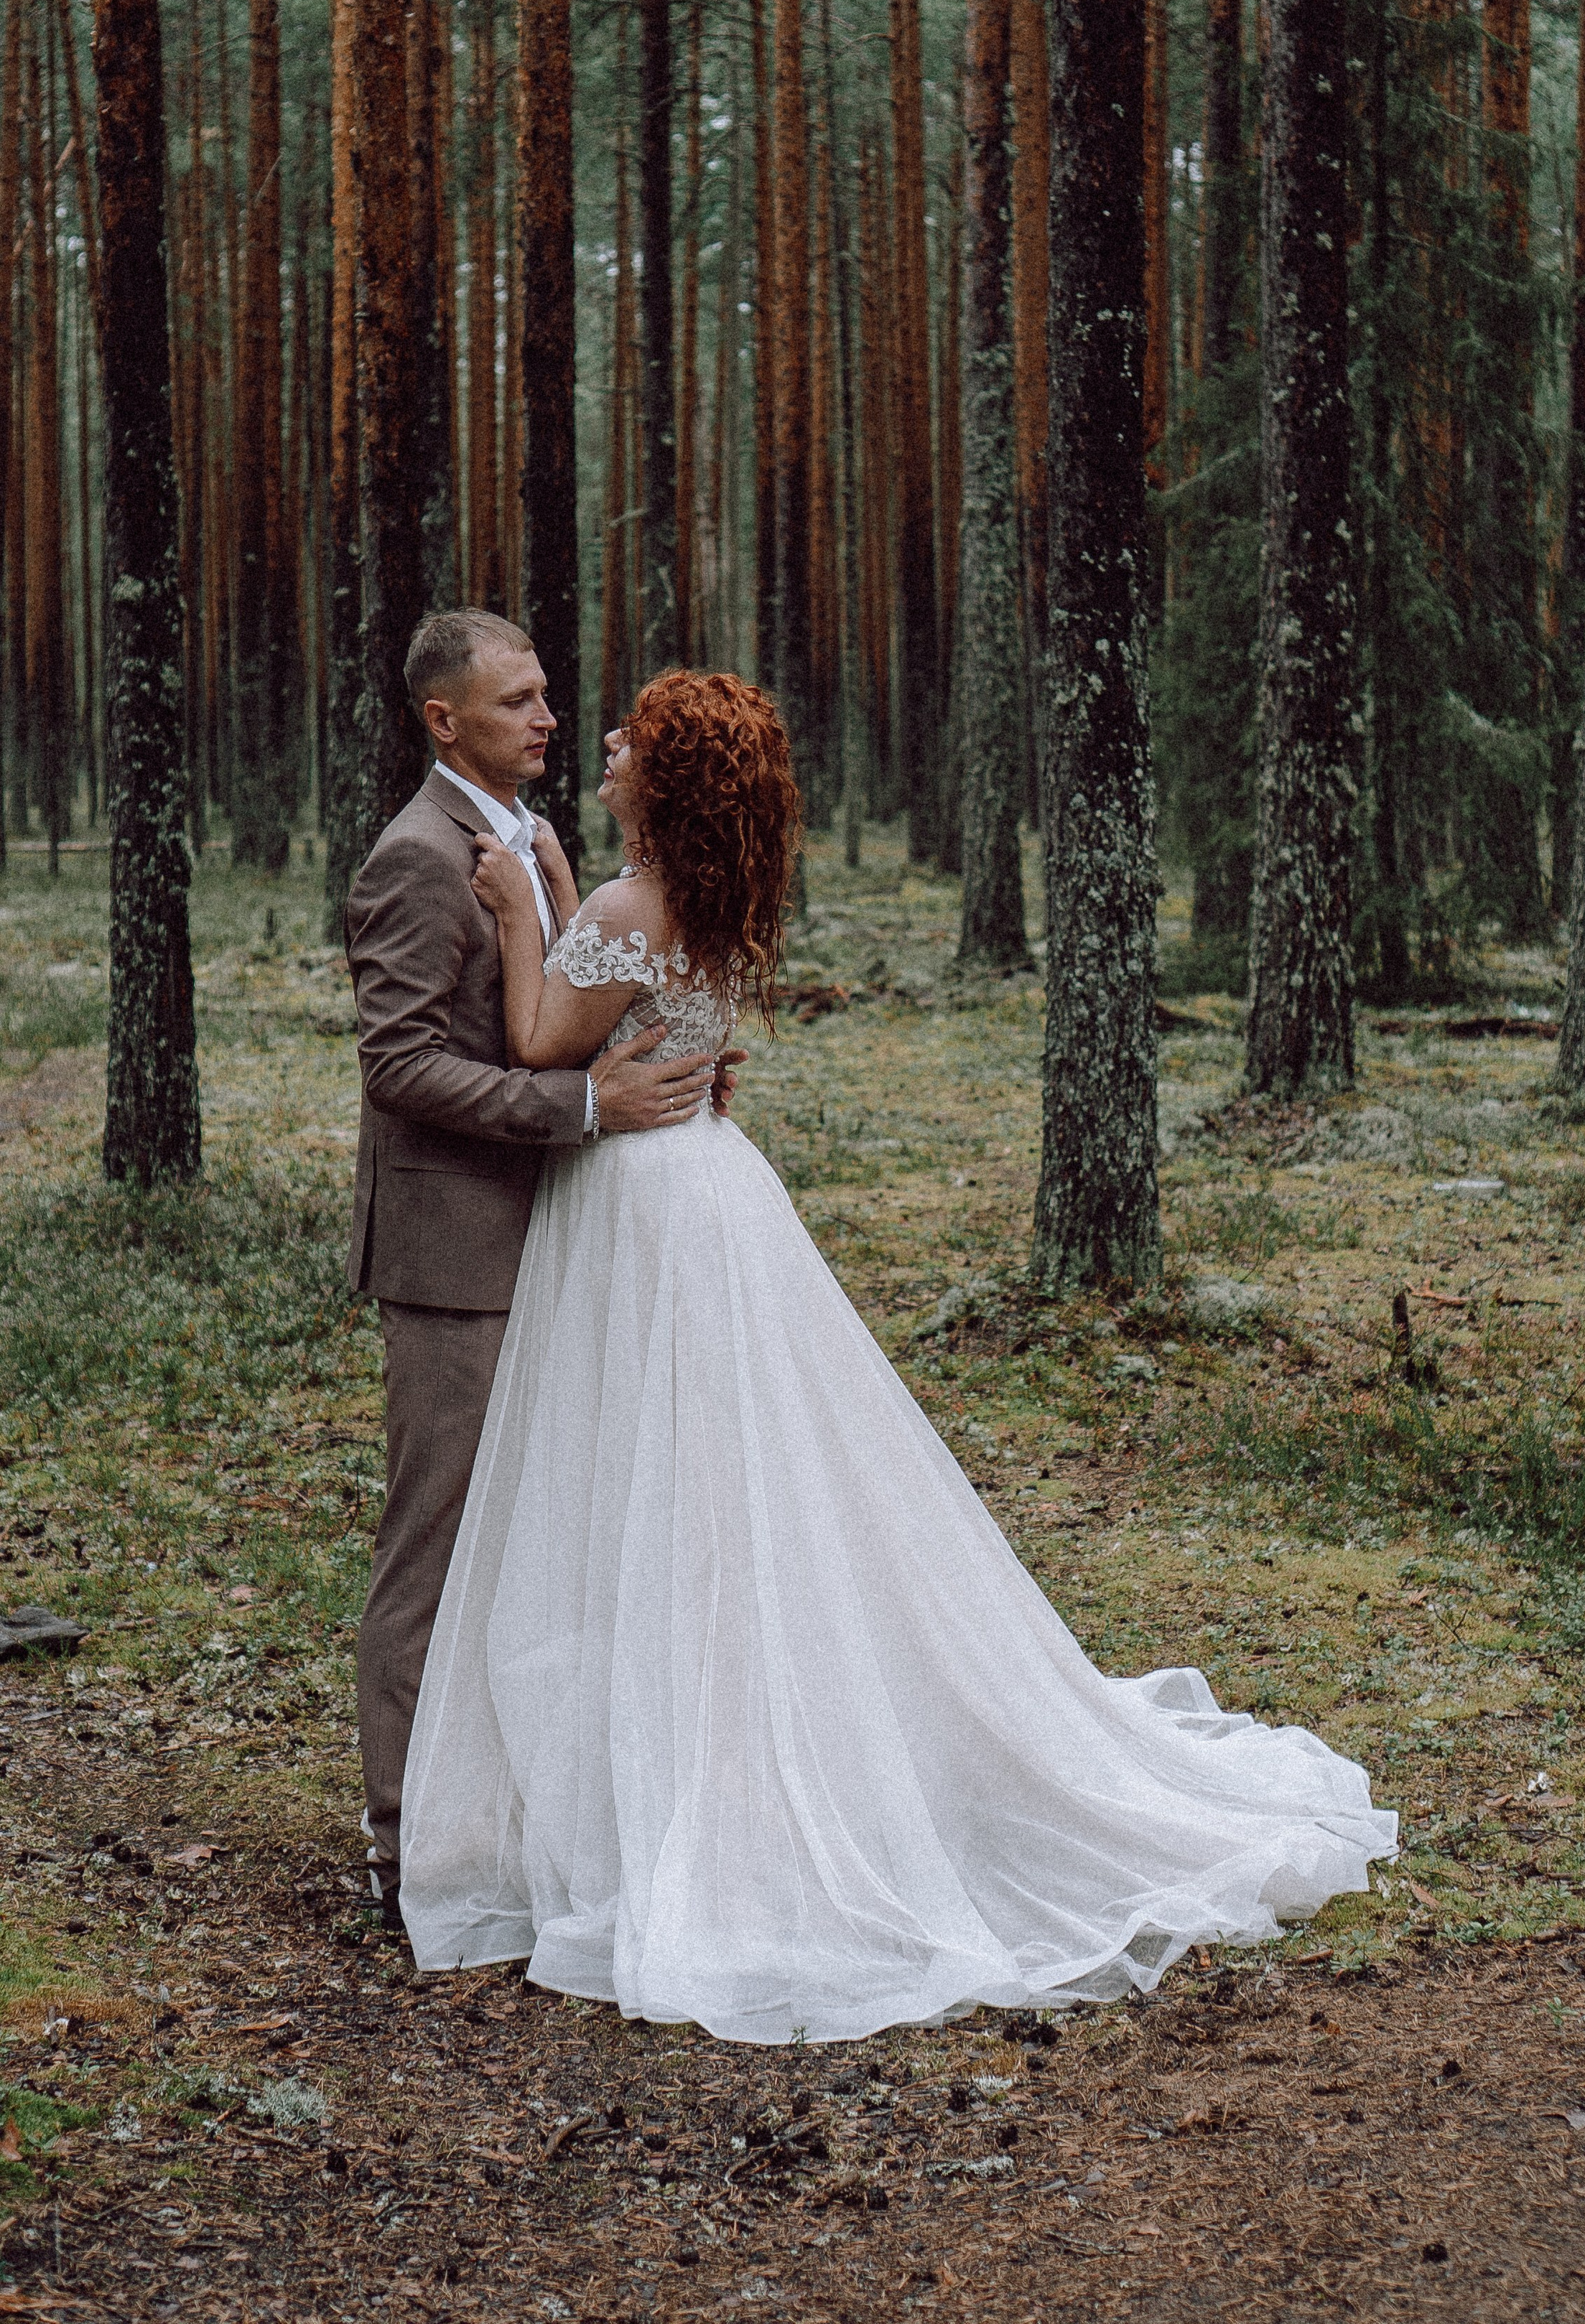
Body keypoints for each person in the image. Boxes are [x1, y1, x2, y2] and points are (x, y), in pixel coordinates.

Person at [399, 668, 1395, 2044]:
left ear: (669, 783)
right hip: (707, 1191)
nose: (608, 744)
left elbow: (536, 1038)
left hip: (641, 1209)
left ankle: (685, 1777)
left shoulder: (624, 911)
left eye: (633, 738)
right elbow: (629, 1007)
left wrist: (521, 913)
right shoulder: (699, 898)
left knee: (655, 1479)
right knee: (722, 1485)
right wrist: (563, 884)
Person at [344, 610, 744, 1931]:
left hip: (582, 1247)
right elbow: (401, 1066)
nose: (548, 719)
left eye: (548, 696)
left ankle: (534, 1823)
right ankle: (409, 1846)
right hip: (460, 1253)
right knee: (442, 1541)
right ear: (442, 721)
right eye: (515, 702)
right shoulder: (417, 859)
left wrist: (655, 1048)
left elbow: (585, 1006)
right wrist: (586, 1111)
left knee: (559, 1541)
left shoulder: (544, 850)